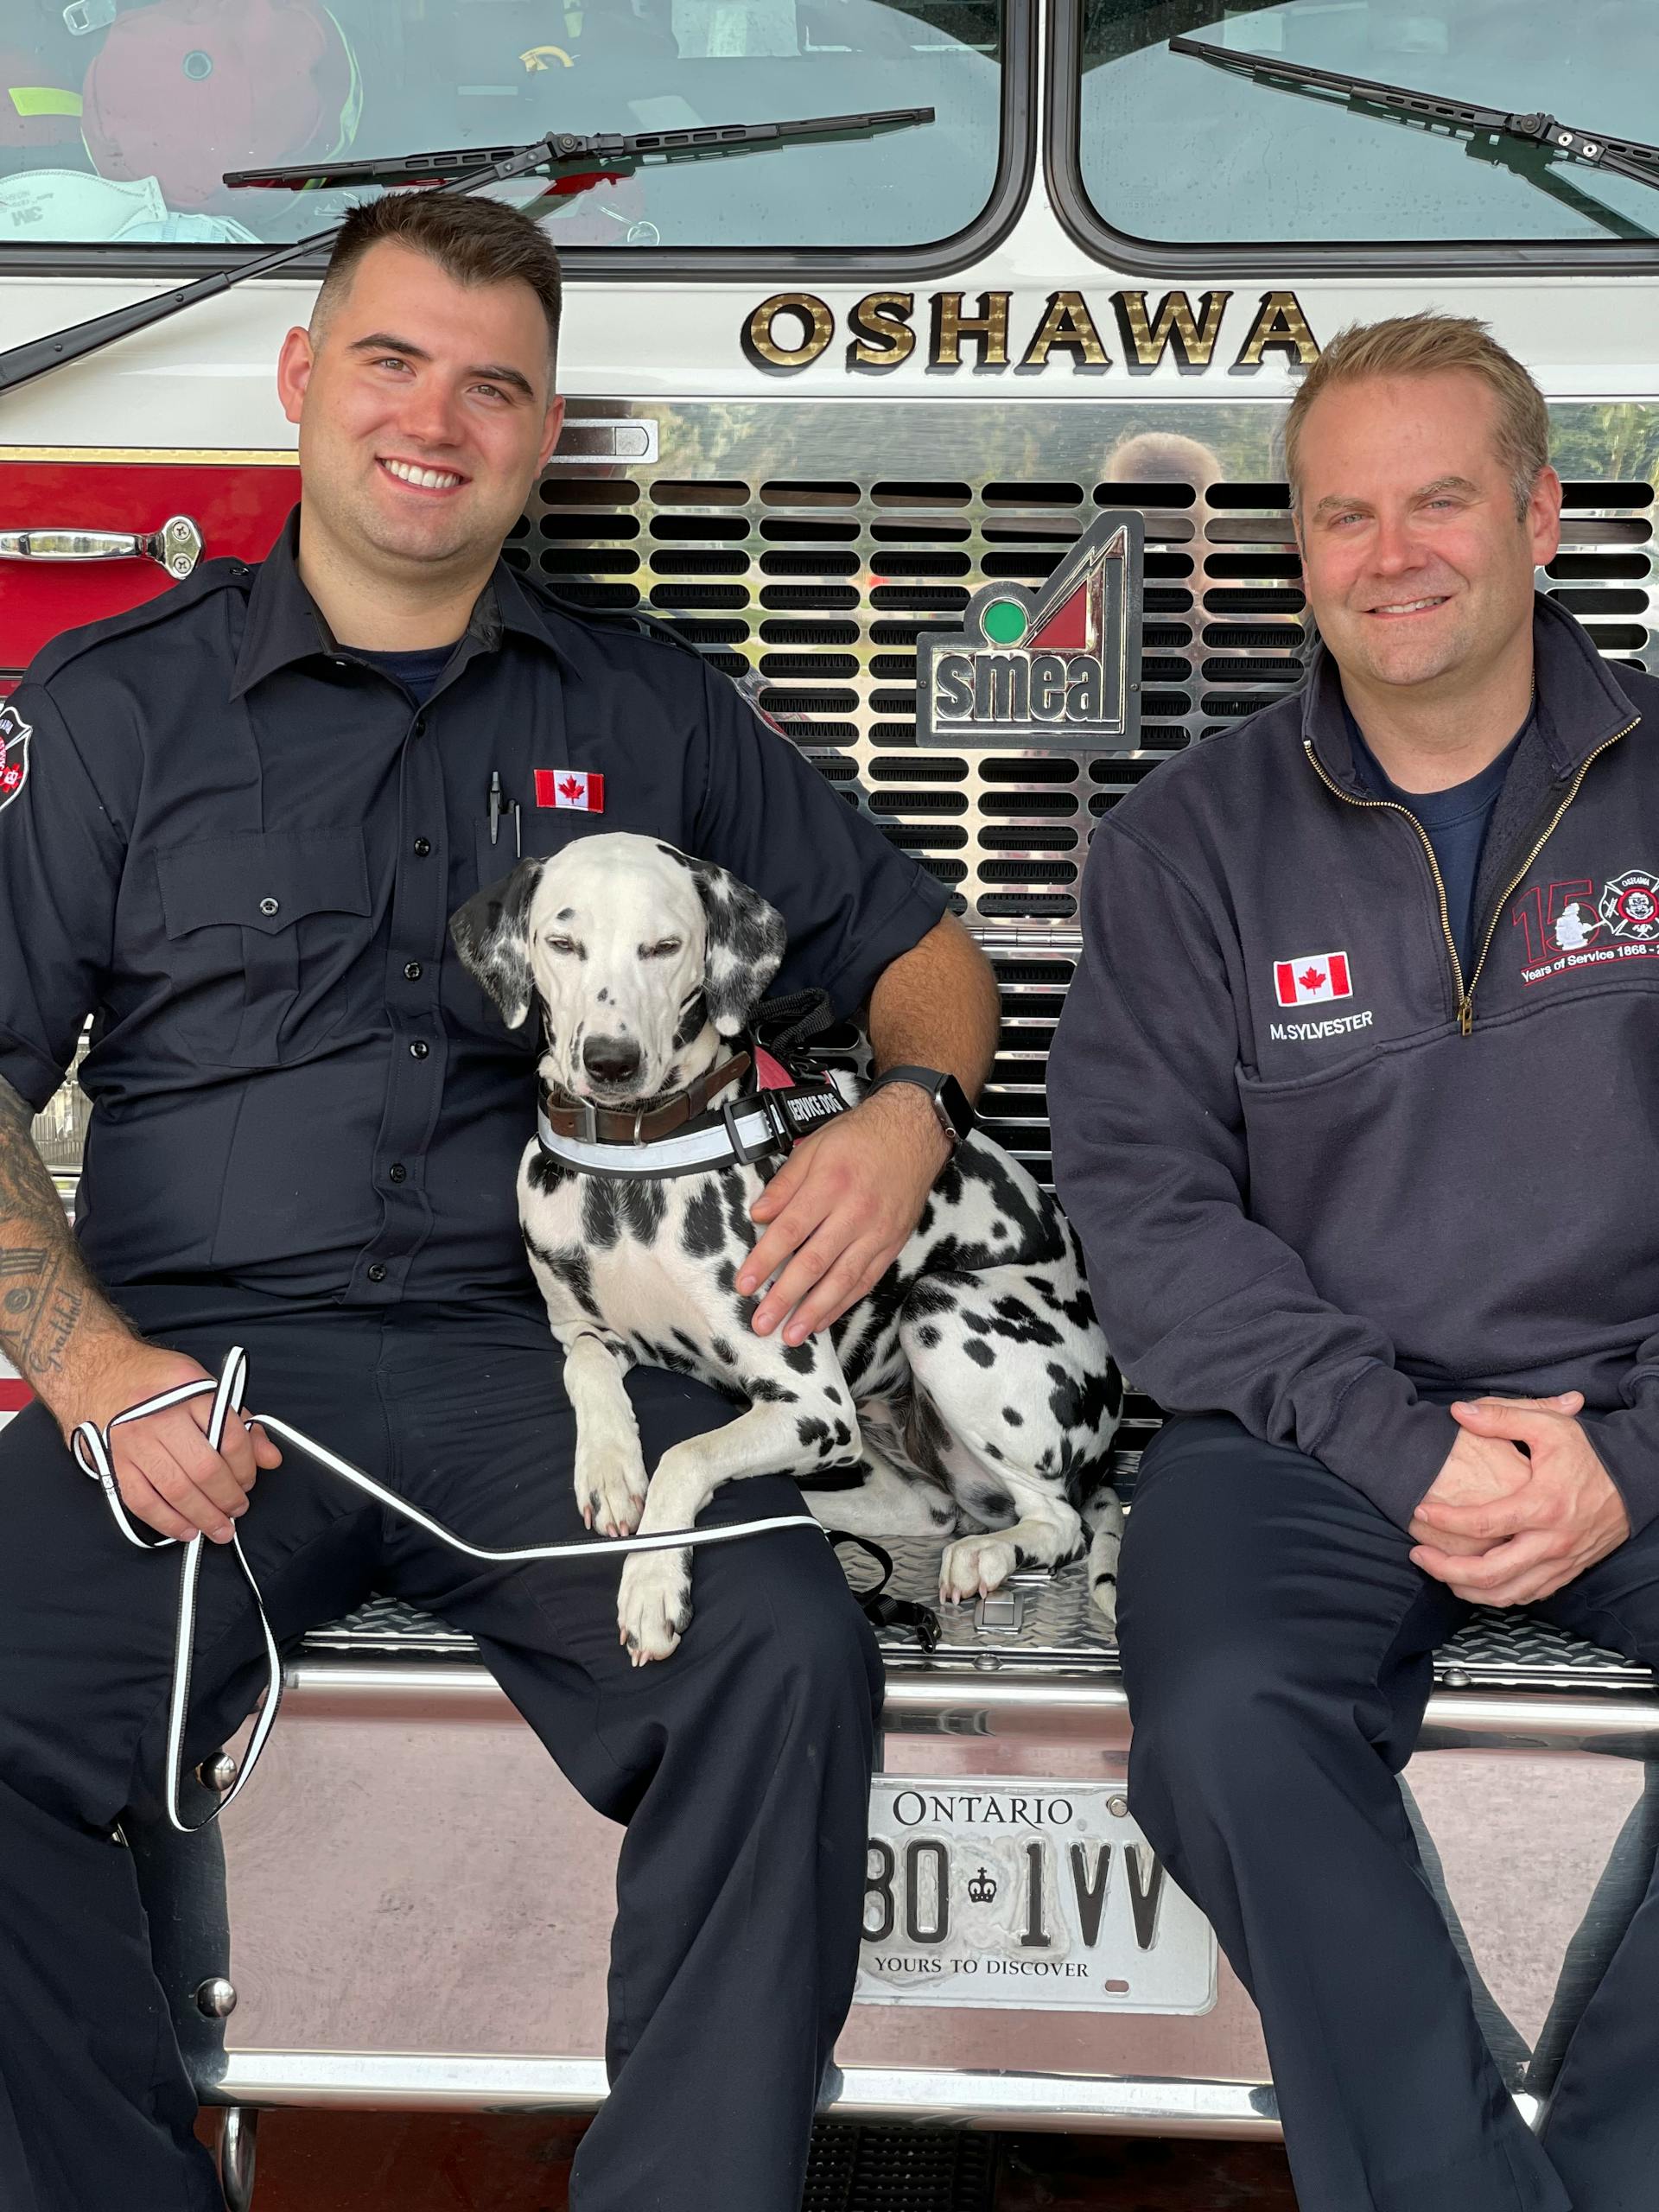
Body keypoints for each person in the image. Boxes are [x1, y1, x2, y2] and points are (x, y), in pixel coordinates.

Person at [0, 188, 999, 2211]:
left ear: (542, 434)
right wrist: (90, 1360)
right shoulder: (113, 706)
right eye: (390, 361)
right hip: (207, 1385)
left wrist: (907, 1117)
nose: (434, 420)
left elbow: (922, 947)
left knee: (785, 1653)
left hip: (556, 1384)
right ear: (301, 385)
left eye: (495, 386)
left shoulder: (653, 710)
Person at [1049, 312, 1659, 2212]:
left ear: (1544, 515)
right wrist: (1400, 1445)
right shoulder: (1183, 842)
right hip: (1312, 1433)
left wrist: (1635, 1453)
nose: (1390, 555)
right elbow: (1144, 1213)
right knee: (1222, 1716)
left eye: (1440, 502)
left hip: (1636, 1393)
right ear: (1298, 547)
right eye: (1341, 516)